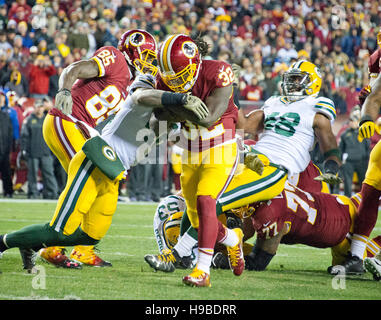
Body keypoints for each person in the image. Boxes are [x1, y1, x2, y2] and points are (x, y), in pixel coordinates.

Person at [145, 59, 341, 287]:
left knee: (211, 202)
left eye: (298, 79)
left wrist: (332, 165)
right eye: (291, 78)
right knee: (200, 198)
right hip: (251, 158)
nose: (293, 84)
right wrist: (227, 89)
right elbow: (245, 125)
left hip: (276, 169)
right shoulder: (274, 103)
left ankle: (179, 254)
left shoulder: (316, 108)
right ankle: (219, 242)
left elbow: (329, 141)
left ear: (313, 83)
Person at [0, 72, 209, 273]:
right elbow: (141, 95)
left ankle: (31, 243)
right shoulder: (146, 88)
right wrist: (179, 99)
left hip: (114, 172)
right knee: (59, 229)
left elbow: (190, 129)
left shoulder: (169, 122)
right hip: (96, 161)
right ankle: (4, 241)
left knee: (89, 236)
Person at [39, 29, 159, 268]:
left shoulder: (130, 83)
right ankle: (51, 246)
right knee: (90, 180)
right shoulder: (115, 57)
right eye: (146, 55)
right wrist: (64, 90)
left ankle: (83, 249)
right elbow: (73, 69)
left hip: (83, 127)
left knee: (106, 186)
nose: (148, 62)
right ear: (132, 50)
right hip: (68, 120)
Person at [152, 34, 244, 287]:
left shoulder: (219, 72)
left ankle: (202, 271)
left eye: (180, 75)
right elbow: (157, 116)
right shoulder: (165, 79)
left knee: (206, 202)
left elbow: (209, 117)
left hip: (220, 145)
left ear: (196, 62)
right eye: (170, 77)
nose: (175, 83)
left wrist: (173, 105)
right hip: (190, 149)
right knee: (196, 217)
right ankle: (231, 239)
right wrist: (181, 100)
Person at [237, 181, 381, 274]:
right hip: (337, 203)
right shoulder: (273, 184)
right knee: (370, 195)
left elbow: (257, 261)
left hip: (342, 229)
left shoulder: (269, 212)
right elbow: (244, 232)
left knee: (363, 263)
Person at [20, 99, 58, 199]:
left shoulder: (47, 119)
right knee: (32, 175)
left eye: (41, 107)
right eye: (38, 106)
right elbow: (24, 137)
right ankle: (33, 193)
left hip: (46, 153)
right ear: (34, 107)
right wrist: (23, 150)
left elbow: (53, 136)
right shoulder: (28, 120)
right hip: (33, 153)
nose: (40, 109)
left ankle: (52, 193)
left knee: (49, 174)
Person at [338, 107, 369, 197]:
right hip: (348, 163)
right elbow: (341, 149)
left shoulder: (363, 132)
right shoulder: (345, 134)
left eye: (353, 120)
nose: (351, 122)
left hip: (361, 162)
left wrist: (366, 160)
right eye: (351, 121)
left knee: (363, 183)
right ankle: (347, 201)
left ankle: (364, 200)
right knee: (347, 183)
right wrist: (342, 162)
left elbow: (367, 148)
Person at [0, 101, 13, 198]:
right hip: (3, 147)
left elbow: (10, 132)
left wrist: (9, 147)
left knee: (6, 171)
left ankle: (8, 191)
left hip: (4, 149)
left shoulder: (6, 116)